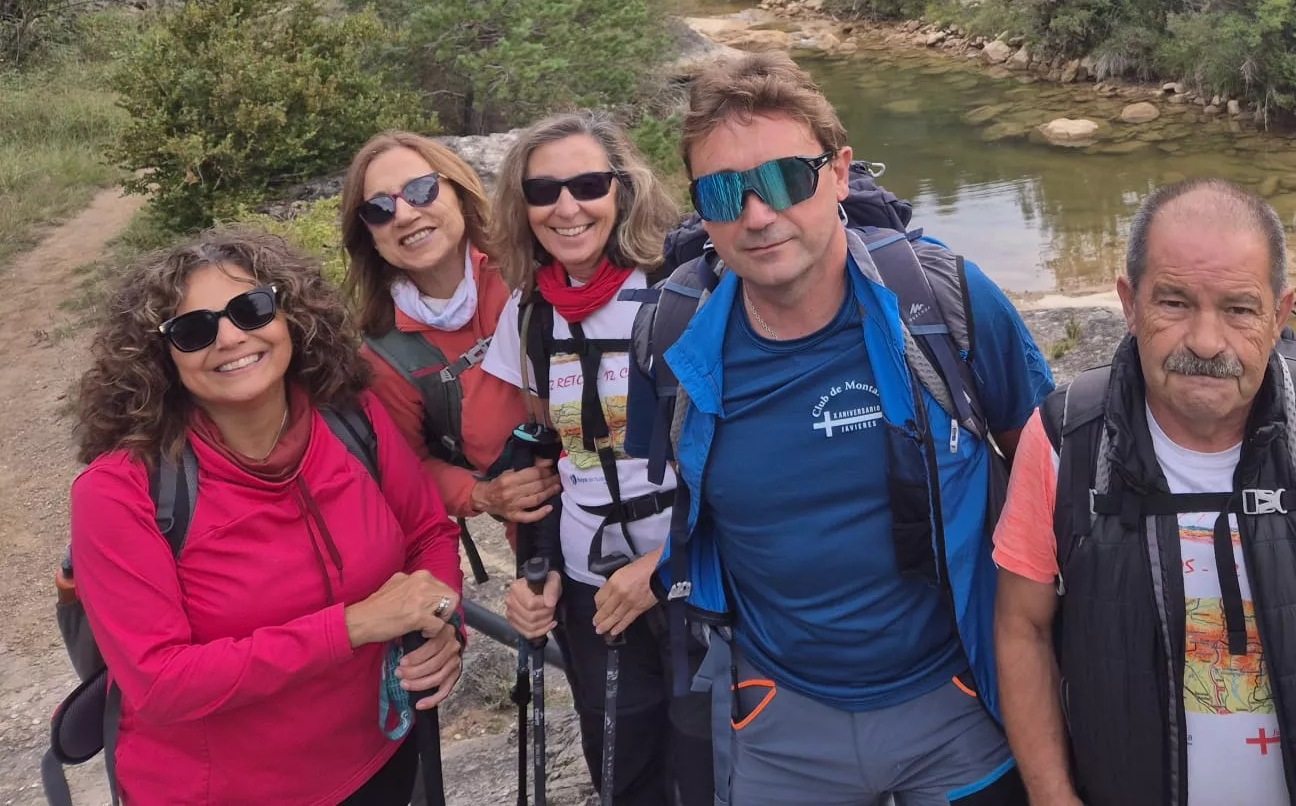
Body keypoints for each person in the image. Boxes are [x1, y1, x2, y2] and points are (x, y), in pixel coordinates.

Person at [627, 50, 1054, 805]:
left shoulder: (943, 301)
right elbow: (693, 509)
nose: (758, 215)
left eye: (785, 180)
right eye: (723, 192)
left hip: (959, 705)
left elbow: (1048, 480)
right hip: (780, 720)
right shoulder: (672, 338)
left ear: (839, 172)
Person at [992, 179, 1296, 806]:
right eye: (1174, 302)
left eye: (1239, 309)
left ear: (1279, 314)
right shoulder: (1065, 443)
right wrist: (1054, 796)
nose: (1206, 342)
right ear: (1129, 304)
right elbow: (1022, 627)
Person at [67, 228, 464, 806]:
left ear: (291, 316)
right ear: (161, 357)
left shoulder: (352, 418)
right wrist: (353, 625)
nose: (230, 338)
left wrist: (444, 622)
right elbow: (160, 682)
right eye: (193, 330)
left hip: (380, 756)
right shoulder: (121, 491)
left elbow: (428, 534)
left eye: (251, 309)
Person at [488, 111, 710, 806]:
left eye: (587, 184)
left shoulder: (685, 288)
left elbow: (740, 454)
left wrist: (666, 567)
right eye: (543, 191)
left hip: (694, 572)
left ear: (623, 189)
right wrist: (540, 570)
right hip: (593, 581)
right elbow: (548, 456)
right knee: (622, 766)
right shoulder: (528, 314)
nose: (567, 207)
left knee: (708, 765)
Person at [343, 130, 559, 536]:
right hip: (538, 529)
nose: (404, 215)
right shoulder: (386, 356)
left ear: (459, 192)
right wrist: (482, 494)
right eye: (378, 208)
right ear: (368, 234)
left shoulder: (530, 268)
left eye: (421, 190)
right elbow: (408, 466)